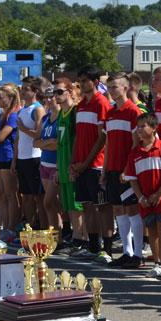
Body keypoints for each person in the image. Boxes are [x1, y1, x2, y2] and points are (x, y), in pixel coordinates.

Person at [125, 113, 161, 277]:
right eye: (138, 127)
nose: (139, 130)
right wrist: (141, 197)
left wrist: (159, 193)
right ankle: (158, 263)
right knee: (152, 230)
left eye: (143, 126)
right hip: (145, 200)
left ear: (154, 128)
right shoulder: (135, 152)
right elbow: (132, 179)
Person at [69, 66, 114, 264]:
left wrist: (86, 162)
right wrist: (73, 162)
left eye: (86, 80)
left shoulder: (101, 102)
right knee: (87, 206)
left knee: (102, 206)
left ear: (95, 82)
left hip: (95, 165)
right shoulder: (81, 105)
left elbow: (102, 137)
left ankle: (108, 248)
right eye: (81, 81)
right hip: (81, 165)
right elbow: (78, 136)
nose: (83, 84)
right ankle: (93, 246)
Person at [103, 73, 143, 268]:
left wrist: (129, 169)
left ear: (126, 88)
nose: (112, 91)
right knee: (118, 209)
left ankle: (137, 254)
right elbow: (108, 143)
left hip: (127, 170)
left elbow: (136, 144)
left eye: (115, 87)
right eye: (109, 87)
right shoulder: (110, 113)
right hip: (112, 168)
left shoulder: (133, 111)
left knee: (132, 209)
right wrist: (104, 169)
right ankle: (126, 252)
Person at [54, 78, 85, 251]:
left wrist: (74, 165)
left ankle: (81, 238)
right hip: (63, 163)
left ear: (69, 92)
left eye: (60, 92)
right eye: (55, 92)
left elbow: (77, 141)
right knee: (68, 205)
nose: (56, 95)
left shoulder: (74, 111)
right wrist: (58, 168)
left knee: (77, 205)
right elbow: (60, 142)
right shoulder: (61, 113)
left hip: (72, 164)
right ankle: (76, 237)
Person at [0, 84, 21, 238]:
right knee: (0, 193)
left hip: (8, 156)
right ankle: (3, 225)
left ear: (11, 98)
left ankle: (11, 226)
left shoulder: (14, 116)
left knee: (10, 194)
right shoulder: (1, 115)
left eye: (1, 97)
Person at [16, 78, 47, 229]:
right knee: (26, 195)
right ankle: (30, 227)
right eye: (22, 88)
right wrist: (15, 158)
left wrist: (23, 128)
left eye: (27, 89)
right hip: (22, 157)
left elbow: (38, 134)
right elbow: (18, 138)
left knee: (39, 196)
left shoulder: (38, 109)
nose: (23, 91)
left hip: (34, 157)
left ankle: (43, 228)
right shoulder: (22, 110)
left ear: (35, 91)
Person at [35, 86, 63, 234]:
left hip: (56, 164)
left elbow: (59, 144)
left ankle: (57, 234)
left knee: (49, 202)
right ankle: (56, 235)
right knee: (52, 204)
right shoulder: (46, 117)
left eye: (51, 96)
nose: (48, 100)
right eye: (45, 97)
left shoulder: (61, 117)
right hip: (44, 163)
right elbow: (36, 142)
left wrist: (46, 143)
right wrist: (48, 142)